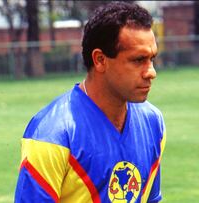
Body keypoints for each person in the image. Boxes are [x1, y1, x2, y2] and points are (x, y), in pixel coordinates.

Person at [14, 2, 166, 203]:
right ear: (100, 60)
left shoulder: (153, 123)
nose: (151, 72)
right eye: (138, 60)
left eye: (152, 59)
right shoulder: (51, 134)